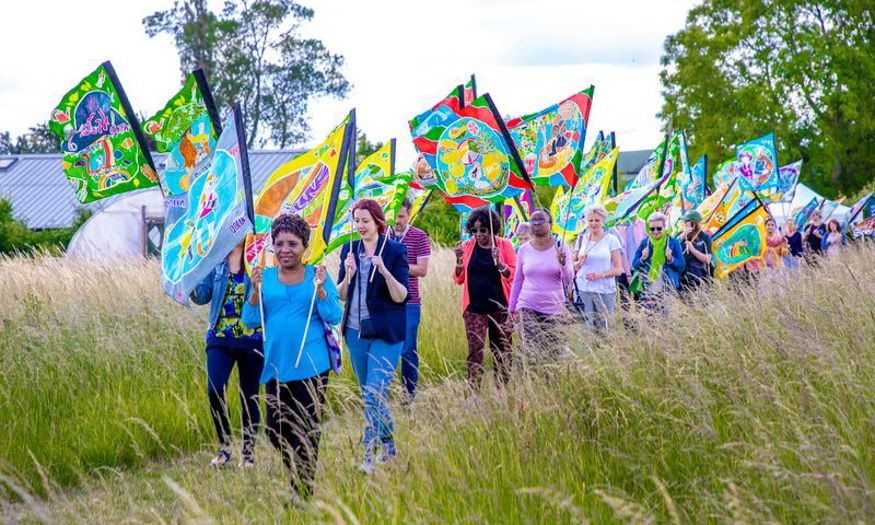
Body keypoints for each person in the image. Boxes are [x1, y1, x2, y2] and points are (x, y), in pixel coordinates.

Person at [242, 214, 342, 499]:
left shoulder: (317, 275)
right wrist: (254, 292)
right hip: (275, 366)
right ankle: (295, 470)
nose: (285, 249)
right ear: (273, 246)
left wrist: (321, 289)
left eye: (292, 244)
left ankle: (303, 490)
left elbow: (334, 315)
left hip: (312, 365)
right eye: (280, 244)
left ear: (304, 247)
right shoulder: (265, 278)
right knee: (275, 429)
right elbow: (250, 321)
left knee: (307, 428)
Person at [338, 199, 409, 473]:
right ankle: (390, 445)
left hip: (386, 334)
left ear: (378, 221)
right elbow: (341, 294)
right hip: (355, 332)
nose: (360, 226)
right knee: (370, 394)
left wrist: (384, 271)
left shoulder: (394, 251)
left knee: (373, 393)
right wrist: (349, 274)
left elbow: (401, 296)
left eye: (365, 220)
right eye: (356, 220)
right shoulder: (349, 250)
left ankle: (368, 456)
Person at [190, 241, 263, 468]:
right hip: (220, 338)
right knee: (215, 390)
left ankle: (248, 453)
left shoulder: (257, 260)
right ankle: (224, 447)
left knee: (249, 395)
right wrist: (191, 276)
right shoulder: (216, 260)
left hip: (251, 338)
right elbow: (202, 296)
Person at [452, 207, 516, 393]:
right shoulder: (467, 247)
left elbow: (512, 276)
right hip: (474, 309)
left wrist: (500, 264)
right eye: (475, 230)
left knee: (502, 350)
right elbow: (458, 279)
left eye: (483, 230)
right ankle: (474, 393)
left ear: (492, 228)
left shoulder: (504, 245)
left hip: (500, 307)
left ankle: (501, 391)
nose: (478, 234)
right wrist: (458, 261)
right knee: (475, 351)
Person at [508, 209, 573, 358]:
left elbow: (568, 279)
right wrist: (512, 307)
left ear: (550, 224)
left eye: (540, 220)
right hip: (527, 306)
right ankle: (528, 380)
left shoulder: (560, 247)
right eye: (533, 220)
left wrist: (562, 264)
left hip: (554, 308)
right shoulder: (523, 249)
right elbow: (518, 280)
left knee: (553, 354)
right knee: (530, 350)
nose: (536, 223)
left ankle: (547, 380)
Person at [390, 198, 431, 404]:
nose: (397, 221)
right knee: (387, 348)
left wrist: (396, 264)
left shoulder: (419, 236)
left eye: (401, 216)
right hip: (385, 301)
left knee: (407, 349)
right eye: (394, 215)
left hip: (410, 302)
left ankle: (409, 395)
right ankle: (383, 393)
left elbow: (422, 270)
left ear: (409, 214)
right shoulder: (382, 235)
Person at [571, 204, 623, 332]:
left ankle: (605, 351)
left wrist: (599, 275)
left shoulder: (612, 240)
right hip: (583, 288)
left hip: (604, 289)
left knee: (605, 327)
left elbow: (618, 269)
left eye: (597, 220)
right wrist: (579, 262)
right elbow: (573, 265)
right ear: (586, 222)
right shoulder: (581, 238)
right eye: (590, 220)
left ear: (603, 221)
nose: (593, 223)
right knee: (587, 327)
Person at [632, 212, 685, 313]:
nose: (655, 232)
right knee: (651, 321)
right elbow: (634, 264)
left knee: (668, 322)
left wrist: (671, 259)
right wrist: (642, 259)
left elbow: (682, 266)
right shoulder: (645, 243)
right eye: (652, 229)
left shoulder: (673, 242)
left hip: (668, 289)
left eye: (659, 228)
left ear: (664, 227)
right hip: (649, 289)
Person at [677, 210, 713, 293]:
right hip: (682, 277)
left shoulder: (704, 237)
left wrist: (693, 249)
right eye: (684, 221)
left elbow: (707, 259)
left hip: (698, 277)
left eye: (687, 221)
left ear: (694, 223)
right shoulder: (681, 235)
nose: (685, 223)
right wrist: (682, 237)